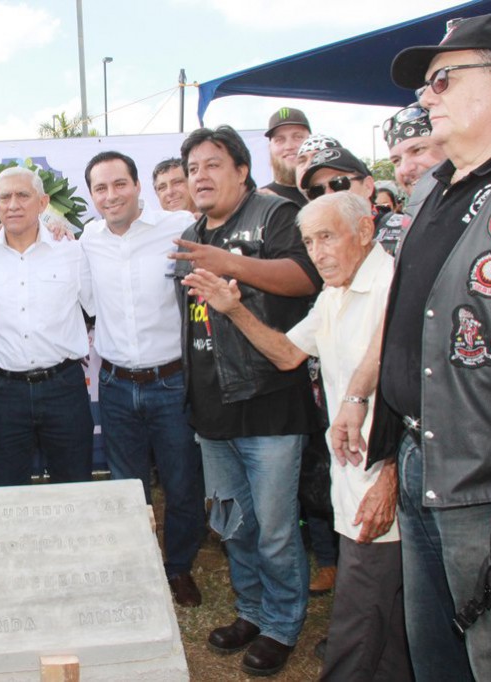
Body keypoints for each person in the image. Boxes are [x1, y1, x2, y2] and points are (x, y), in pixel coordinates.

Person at [362, 14, 491, 680]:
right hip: (429, 469)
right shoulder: (436, 187)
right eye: (428, 85)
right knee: (440, 662)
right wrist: (380, 432)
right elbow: (413, 321)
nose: (428, 97)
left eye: (444, 79)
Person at [183, 192, 409, 681]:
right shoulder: (333, 295)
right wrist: (233, 308)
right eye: (308, 242)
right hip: (352, 476)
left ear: (367, 230)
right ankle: (261, 616)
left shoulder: (397, 286)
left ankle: (291, 632)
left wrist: (390, 470)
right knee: (379, 610)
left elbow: (412, 391)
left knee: (368, 603)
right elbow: (287, 354)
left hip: (388, 476)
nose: (318, 252)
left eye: (327, 237)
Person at [169, 125, 323, 676]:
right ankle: (252, 611)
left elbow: (307, 277)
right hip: (212, 410)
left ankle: (282, 624)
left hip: (269, 402)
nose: (200, 177)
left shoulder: (274, 213)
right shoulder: (190, 233)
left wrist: (230, 261)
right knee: (234, 523)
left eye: (213, 164)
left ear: (240, 169)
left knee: (278, 527)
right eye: (192, 169)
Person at [80, 151, 205, 606]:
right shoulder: (87, 240)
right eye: (100, 188)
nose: (111, 196)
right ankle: (137, 564)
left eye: (119, 184)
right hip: (113, 384)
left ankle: (178, 569)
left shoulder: (178, 228)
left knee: (181, 483)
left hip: (171, 382)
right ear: (91, 195)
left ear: (137, 187)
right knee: (127, 484)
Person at [0, 166, 94, 487]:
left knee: (74, 485)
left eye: (23, 195)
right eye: (5, 197)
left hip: (63, 388)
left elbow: (96, 307)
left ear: (43, 202)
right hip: (1, 393)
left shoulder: (72, 251)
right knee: (9, 489)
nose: (13, 205)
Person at [260, 107, 311, 207]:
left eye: (297, 137)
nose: (289, 146)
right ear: (270, 148)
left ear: (311, 141)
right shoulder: (258, 201)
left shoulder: (330, 191)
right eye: (279, 140)